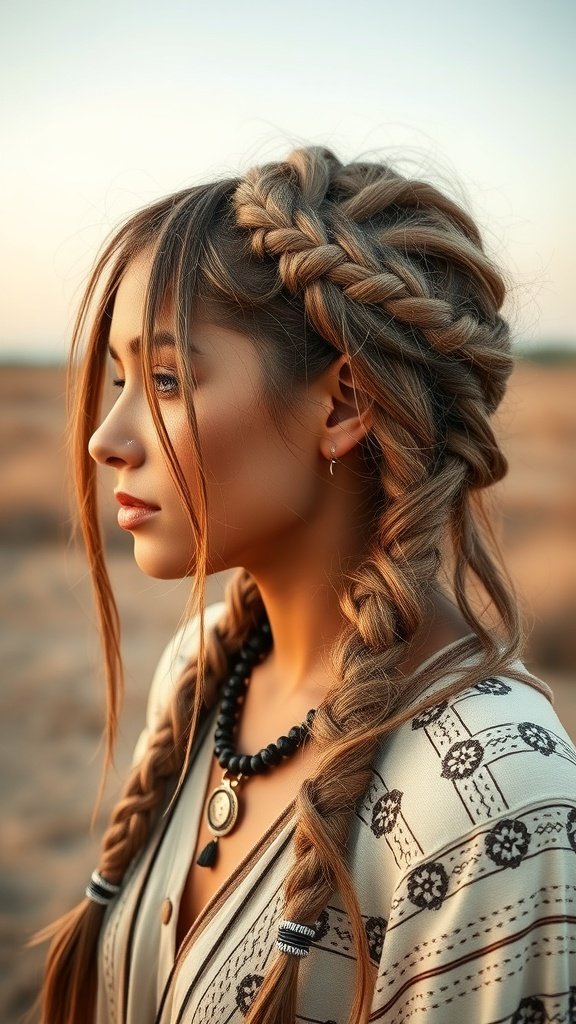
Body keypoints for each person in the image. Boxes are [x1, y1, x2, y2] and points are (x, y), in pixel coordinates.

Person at [35, 143, 576, 1024]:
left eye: (167, 379)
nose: (106, 436)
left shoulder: (497, 795)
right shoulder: (204, 662)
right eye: (121, 378)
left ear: (343, 406)